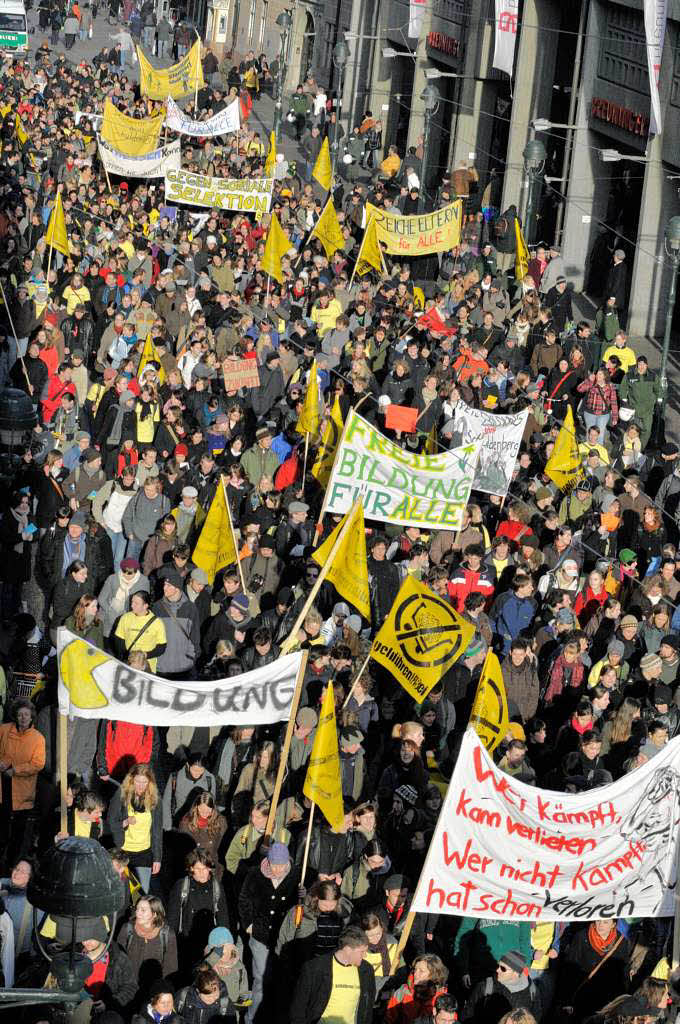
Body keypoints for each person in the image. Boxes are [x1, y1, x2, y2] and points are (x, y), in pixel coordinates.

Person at [289, 925, 376, 1024]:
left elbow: (367, 1009)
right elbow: (298, 1009)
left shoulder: (366, 971)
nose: (365, 955)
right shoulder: (315, 968)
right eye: (362, 951)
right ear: (347, 949)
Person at [107, 763, 163, 893]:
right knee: (121, 893)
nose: (141, 786)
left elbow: (157, 830)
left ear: (150, 782)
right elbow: (110, 821)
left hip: (144, 854)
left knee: (140, 893)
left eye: (144, 782)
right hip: (122, 852)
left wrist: (157, 858)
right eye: (137, 781)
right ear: (131, 779)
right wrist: (125, 822)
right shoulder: (121, 794)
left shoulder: (155, 799)